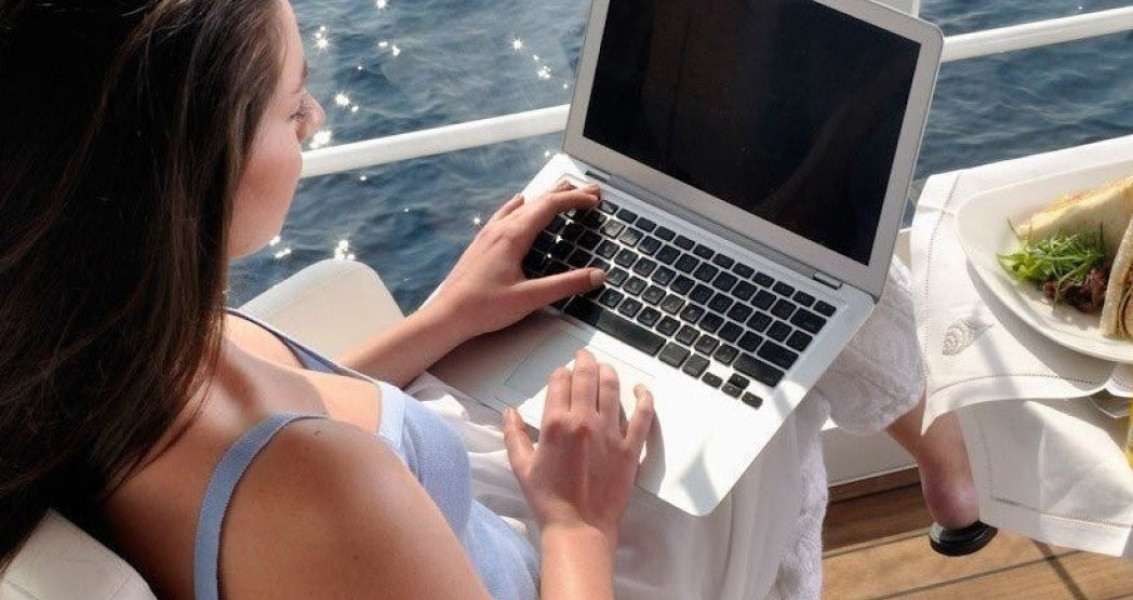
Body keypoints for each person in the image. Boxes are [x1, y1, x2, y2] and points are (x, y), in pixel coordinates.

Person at [0, 0, 988, 598]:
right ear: (185, 168)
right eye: (291, 102)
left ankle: (942, 471)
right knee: (821, 286)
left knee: (761, 265)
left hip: (459, 509)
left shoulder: (104, 338)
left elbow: (295, 411)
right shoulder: (317, 494)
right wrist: (577, 517)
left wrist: (449, 316)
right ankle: (951, 477)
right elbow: (312, 476)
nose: (317, 116)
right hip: (559, 558)